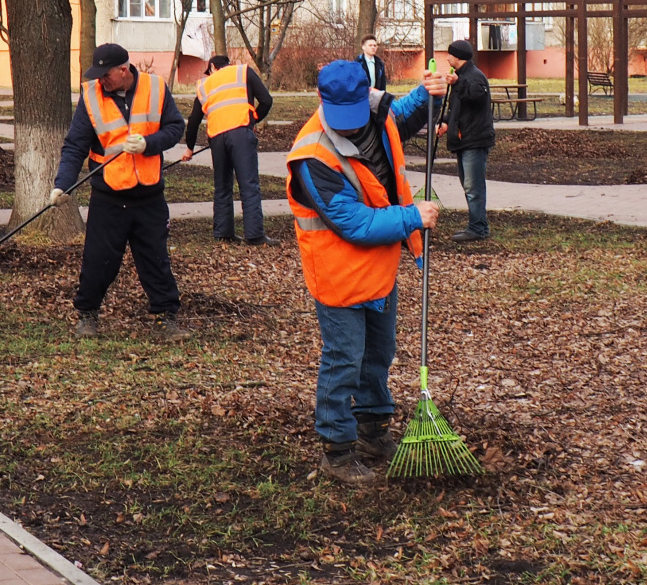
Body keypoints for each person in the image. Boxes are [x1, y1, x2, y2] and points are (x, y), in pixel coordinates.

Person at [286, 59, 447, 485]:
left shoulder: (376, 112)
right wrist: (412, 217)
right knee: (343, 360)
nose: (353, 127)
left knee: (379, 354)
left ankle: (374, 430)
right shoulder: (313, 157)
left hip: (379, 269)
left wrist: (430, 91)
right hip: (338, 274)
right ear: (322, 102)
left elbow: (402, 115)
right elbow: (354, 224)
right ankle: (337, 451)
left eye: (358, 116)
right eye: (344, 120)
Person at [52, 43, 188, 341]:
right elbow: (76, 144)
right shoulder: (90, 97)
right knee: (98, 260)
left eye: (106, 75)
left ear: (123, 70)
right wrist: (62, 184)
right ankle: (87, 315)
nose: (101, 80)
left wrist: (149, 144)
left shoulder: (156, 88)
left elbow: (176, 127)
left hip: (149, 194)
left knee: (155, 259)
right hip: (109, 195)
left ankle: (167, 318)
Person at [182, 55, 276, 245]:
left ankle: (223, 233)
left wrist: (190, 148)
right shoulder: (243, 72)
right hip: (241, 133)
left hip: (217, 138)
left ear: (213, 67)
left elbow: (193, 121)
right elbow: (266, 100)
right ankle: (255, 235)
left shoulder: (204, 85)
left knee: (222, 185)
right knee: (248, 184)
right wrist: (253, 119)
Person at [438, 40, 495, 242]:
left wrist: (458, 83)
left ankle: (478, 228)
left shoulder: (474, 76)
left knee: (473, 186)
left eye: (450, 54)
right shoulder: (461, 76)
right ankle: (476, 225)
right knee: (468, 185)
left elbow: (477, 96)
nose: (447, 57)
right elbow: (458, 107)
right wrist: (445, 123)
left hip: (475, 140)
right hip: (465, 139)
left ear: (458, 57)